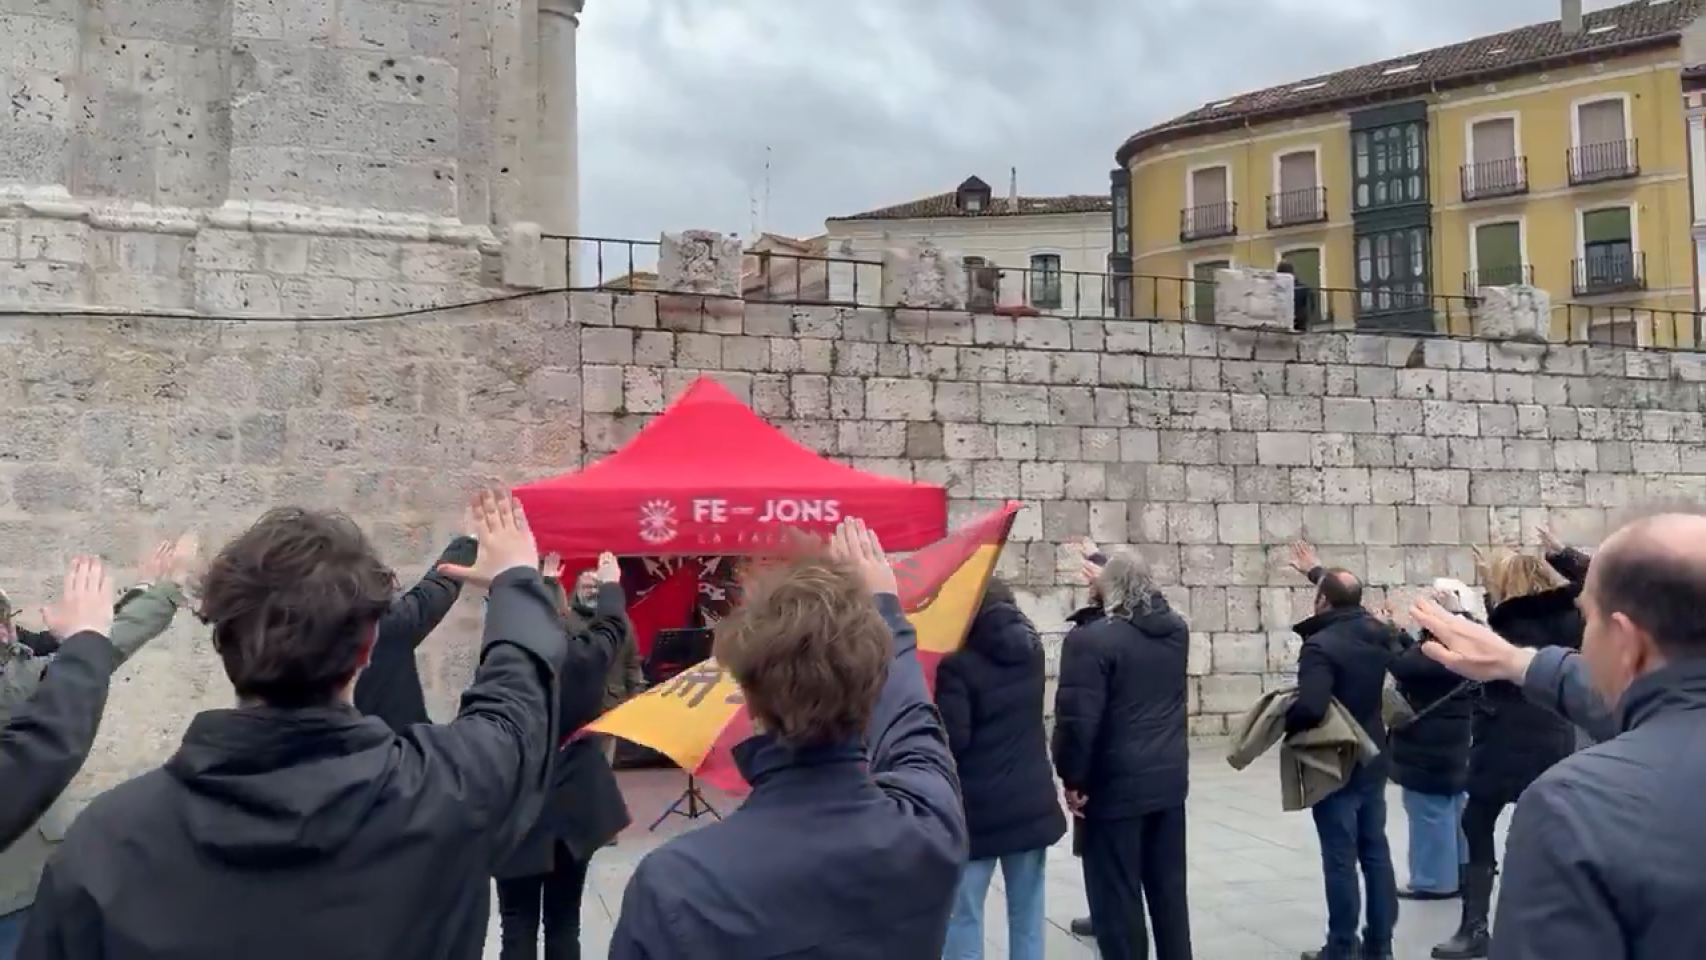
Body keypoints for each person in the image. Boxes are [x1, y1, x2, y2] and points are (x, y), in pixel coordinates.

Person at [21, 491, 609, 960]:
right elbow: (517, 699)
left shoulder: (104, 843)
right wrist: (516, 581)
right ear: (369, 645)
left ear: (224, 642)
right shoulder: (451, 790)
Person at [607, 518, 964, 959]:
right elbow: (914, 723)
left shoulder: (677, 884)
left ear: (750, 702)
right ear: (873, 688)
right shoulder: (930, 828)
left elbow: (913, 724)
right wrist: (884, 605)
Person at [1412, 513, 1706, 959]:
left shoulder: (1574, 807)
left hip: (1509, 753)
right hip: (1545, 739)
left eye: (1589, 620)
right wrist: (1520, 663)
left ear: (1625, 639)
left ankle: (1472, 925)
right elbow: (1666, 703)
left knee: (1479, 822)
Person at [0, 539, 191, 957]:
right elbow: (100, 649)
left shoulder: (20, 667)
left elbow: (84, 650)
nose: (7, 631)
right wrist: (158, 591)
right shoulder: (15, 682)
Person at [1431, 546, 1582, 960]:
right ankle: (1554, 917)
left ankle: (1474, 925)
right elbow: (1588, 584)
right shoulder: (1571, 618)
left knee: (1477, 820)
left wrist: (1458, 614)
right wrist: (1564, 555)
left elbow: (1475, 648)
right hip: (1554, 733)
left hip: (1507, 736)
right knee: (1548, 826)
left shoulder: (1510, 624)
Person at [1053, 549, 1192, 960]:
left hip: (1115, 788)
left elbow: (1078, 721)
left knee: (1116, 897)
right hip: (1167, 782)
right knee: (1168, 893)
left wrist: (1073, 779)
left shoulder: (1090, 640)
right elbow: (1145, 615)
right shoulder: (1175, 632)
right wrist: (1112, 582)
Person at [494, 555, 633, 960]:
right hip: (576, 805)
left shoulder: (506, 663)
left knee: (516, 926)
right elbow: (612, 625)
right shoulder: (585, 658)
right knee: (564, 923)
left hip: (518, 805)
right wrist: (610, 584)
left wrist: (536, 581)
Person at [935, 577, 1066, 960]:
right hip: (1031, 799)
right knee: (1027, 913)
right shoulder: (1032, 649)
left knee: (964, 916)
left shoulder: (957, 663)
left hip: (978, 810)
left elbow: (955, 740)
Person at [1284, 541, 1398, 960]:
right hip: (1373, 754)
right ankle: (1381, 945)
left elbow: (1312, 706)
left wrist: (1286, 717)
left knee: (1339, 856)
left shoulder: (1321, 645)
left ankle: (1341, 946)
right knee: (1375, 852)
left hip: (1336, 759)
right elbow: (1348, 600)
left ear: (1321, 602)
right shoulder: (1378, 632)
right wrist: (1317, 572)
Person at [1382, 581, 1475, 902]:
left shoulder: (1440, 652)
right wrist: (1398, 631)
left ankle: (1434, 880)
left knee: (1429, 810)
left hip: (1429, 743)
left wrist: (1389, 634)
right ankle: (1461, 870)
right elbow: (1417, 655)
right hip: (1454, 738)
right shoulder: (1467, 642)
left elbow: (1405, 665)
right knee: (1453, 806)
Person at [352, 528, 480, 731]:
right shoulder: (385, 627)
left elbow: (434, 592)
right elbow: (436, 590)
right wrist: (470, 541)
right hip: (404, 746)